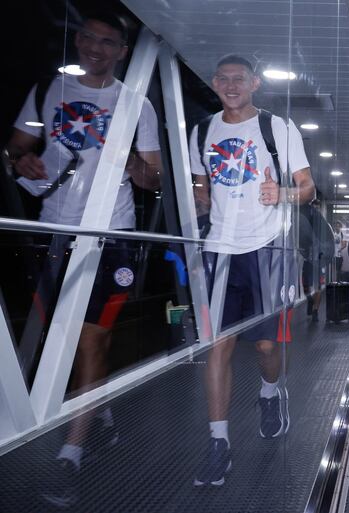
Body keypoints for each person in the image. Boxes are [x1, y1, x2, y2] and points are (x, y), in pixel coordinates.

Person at [4, 11, 162, 507]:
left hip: (111, 235)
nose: (95, 47)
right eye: (88, 38)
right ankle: (102, 416)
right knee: (64, 340)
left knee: (92, 338)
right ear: (78, 42)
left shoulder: (136, 104)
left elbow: (152, 179)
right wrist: (22, 159)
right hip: (52, 231)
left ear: (121, 52)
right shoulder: (50, 91)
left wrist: (132, 163)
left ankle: (70, 456)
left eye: (107, 41)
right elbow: (17, 147)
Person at [189, 54, 315, 487]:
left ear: (255, 84)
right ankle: (218, 443)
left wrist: (279, 192)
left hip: (267, 248)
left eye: (238, 78)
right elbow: (200, 187)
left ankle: (269, 392)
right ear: (213, 82)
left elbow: (307, 189)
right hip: (219, 250)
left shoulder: (277, 128)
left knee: (265, 347)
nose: (230, 85)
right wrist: (199, 202)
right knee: (218, 346)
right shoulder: (202, 131)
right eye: (222, 78)